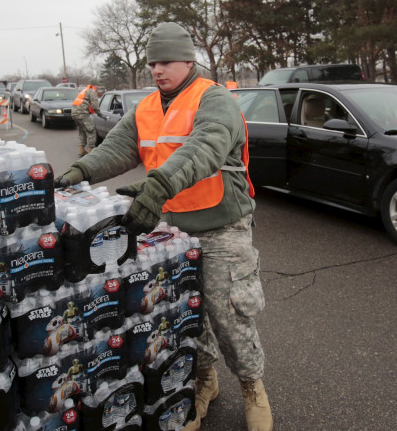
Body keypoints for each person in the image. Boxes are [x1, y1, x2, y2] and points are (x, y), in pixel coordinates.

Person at [54, 22, 272, 430]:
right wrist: (77, 172)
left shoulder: (214, 99)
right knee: (190, 313)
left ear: (189, 60)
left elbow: (203, 148)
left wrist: (156, 187)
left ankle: (252, 387)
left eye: (166, 62)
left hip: (222, 226)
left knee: (228, 314)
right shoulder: (147, 108)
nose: (157, 70)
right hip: (175, 232)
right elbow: (117, 149)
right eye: (152, 63)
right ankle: (205, 382)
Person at [71, 82, 103, 156]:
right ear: (95, 87)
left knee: (82, 131)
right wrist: (100, 114)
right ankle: (91, 152)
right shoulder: (92, 91)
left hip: (75, 113)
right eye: (97, 88)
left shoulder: (84, 90)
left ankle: (81, 150)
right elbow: (95, 105)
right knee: (91, 130)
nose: (98, 90)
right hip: (82, 113)